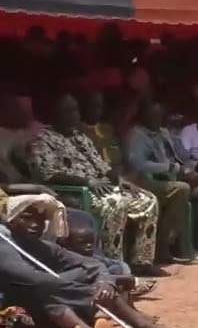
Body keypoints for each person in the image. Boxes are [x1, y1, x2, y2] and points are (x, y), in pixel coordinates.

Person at [0, 194, 189, 328]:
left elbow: (92, 264)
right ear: (10, 221)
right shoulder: (4, 245)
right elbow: (28, 277)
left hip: (52, 300)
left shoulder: (42, 246)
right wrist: (87, 291)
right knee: (42, 290)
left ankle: (141, 326)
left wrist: (105, 282)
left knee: (88, 276)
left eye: (40, 220)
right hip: (13, 307)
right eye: (26, 218)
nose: (35, 225)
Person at [26, 94, 164, 275]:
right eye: (68, 111)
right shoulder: (42, 140)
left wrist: (120, 180)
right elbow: (47, 174)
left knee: (148, 199)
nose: (74, 115)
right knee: (116, 204)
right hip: (78, 191)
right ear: (55, 114)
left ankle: (142, 262)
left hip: (102, 186)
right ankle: (115, 266)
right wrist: (87, 181)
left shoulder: (80, 136)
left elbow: (102, 165)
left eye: (75, 110)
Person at [128, 100, 198, 259]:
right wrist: (175, 169)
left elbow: (184, 157)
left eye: (160, 116)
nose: (157, 119)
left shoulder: (164, 133)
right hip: (157, 181)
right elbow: (139, 164)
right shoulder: (137, 135)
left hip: (181, 178)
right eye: (152, 115)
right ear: (143, 116)